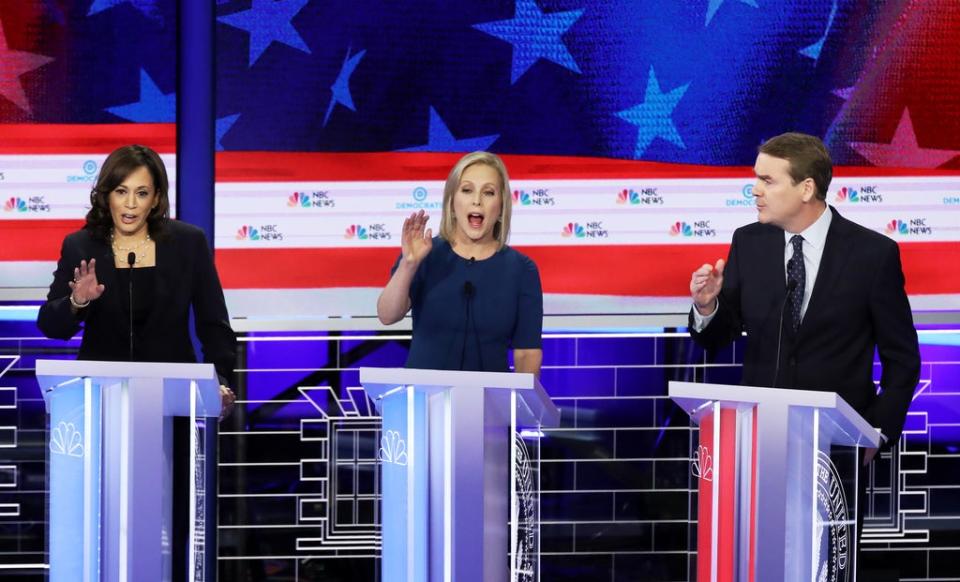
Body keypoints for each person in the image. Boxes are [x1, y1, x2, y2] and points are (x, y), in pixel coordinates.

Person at [688, 132, 920, 579]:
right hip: (757, 441)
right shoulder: (749, 243)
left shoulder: (872, 255)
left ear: (806, 188)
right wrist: (707, 306)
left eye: (767, 180)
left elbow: (903, 358)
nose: (754, 190)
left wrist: (874, 433)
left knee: (826, 565)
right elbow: (718, 338)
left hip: (836, 448)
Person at [37, 144, 237, 414]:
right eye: (121, 192)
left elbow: (214, 324)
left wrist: (220, 380)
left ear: (155, 199)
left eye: (141, 193)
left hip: (173, 397)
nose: (130, 204)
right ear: (108, 196)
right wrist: (77, 302)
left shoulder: (187, 243)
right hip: (100, 399)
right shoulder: (82, 246)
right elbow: (51, 326)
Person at [377, 151, 543, 375]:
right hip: (423, 400)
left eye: (488, 192)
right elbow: (387, 315)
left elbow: (527, 353)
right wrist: (409, 265)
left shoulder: (522, 270)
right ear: (452, 201)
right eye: (467, 190)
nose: (477, 200)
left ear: (502, 205)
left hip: (490, 404)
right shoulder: (426, 254)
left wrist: (520, 407)